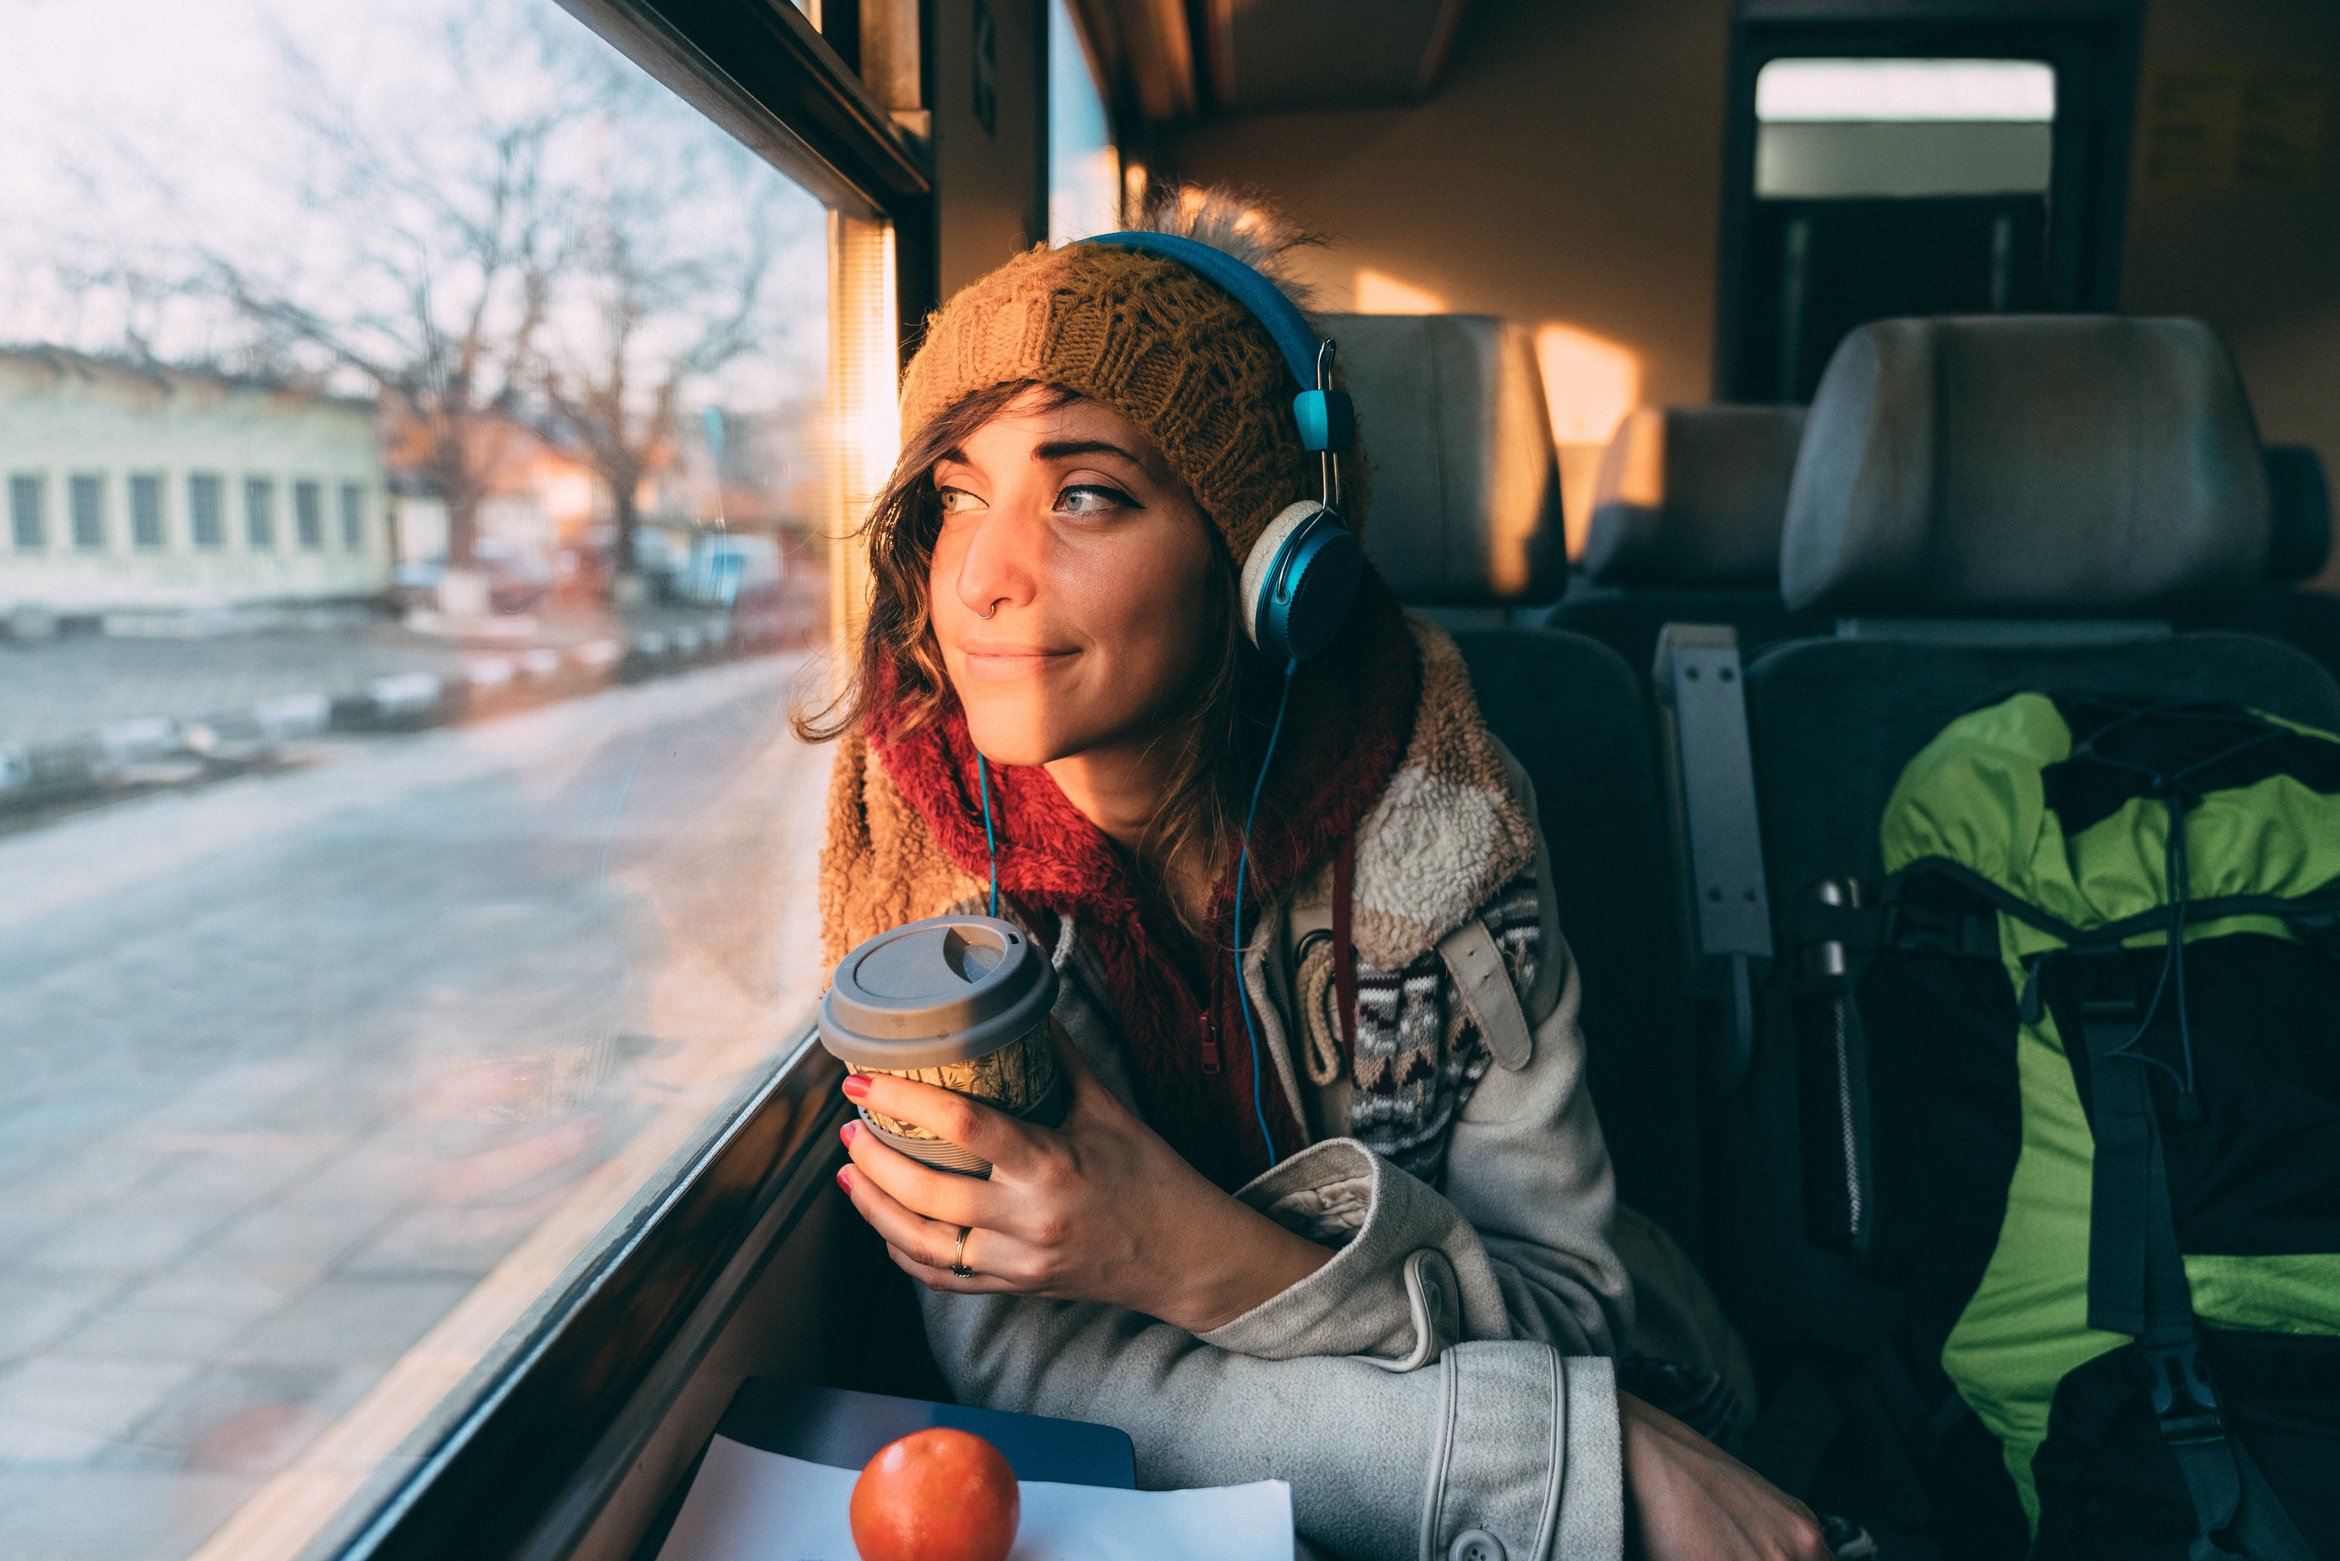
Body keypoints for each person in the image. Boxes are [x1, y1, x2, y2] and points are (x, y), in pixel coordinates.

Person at [804, 192, 1828, 1561]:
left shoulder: (1442, 812)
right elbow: (1037, 1374)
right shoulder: (927, 864)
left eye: (1086, 493)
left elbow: (1578, 1303)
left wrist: (1184, 1251)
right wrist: (1576, 1457)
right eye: (955, 497)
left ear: (1267, 561)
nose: (983, 575)